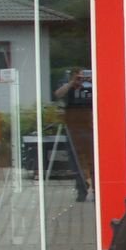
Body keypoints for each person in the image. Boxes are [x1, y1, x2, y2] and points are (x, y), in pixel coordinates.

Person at [53, 68, 94, 201]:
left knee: (93, 160)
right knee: (76, 161)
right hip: (73, 128)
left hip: (90, 127)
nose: (80, 80)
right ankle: (81, 189)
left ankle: (97, 189)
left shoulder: (91, 87)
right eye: (78, 77)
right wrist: (72, 83)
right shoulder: (68, 87)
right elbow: (57, 94)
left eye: (82, 77)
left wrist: (92, 82)